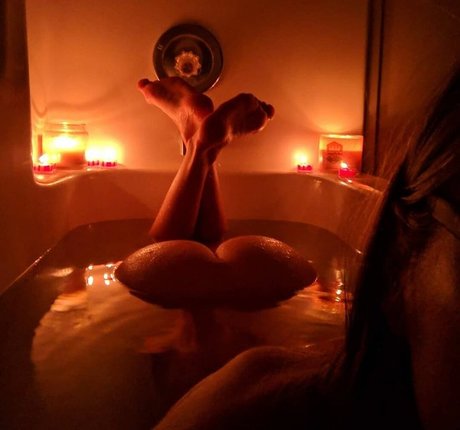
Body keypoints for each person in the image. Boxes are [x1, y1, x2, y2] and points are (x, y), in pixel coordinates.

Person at [145, 67, 459, 430]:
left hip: (267, 286)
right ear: (401, 260)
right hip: (273, 284)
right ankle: (200, 147)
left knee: (176, 268)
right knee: (184, 269)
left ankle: (200, 147)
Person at [116, 78, 317, 309]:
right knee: (206, 243)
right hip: (269, 269)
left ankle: (199, 146)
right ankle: (199, 145)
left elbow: (172, 258)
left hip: (246, 270)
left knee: (165, 252)